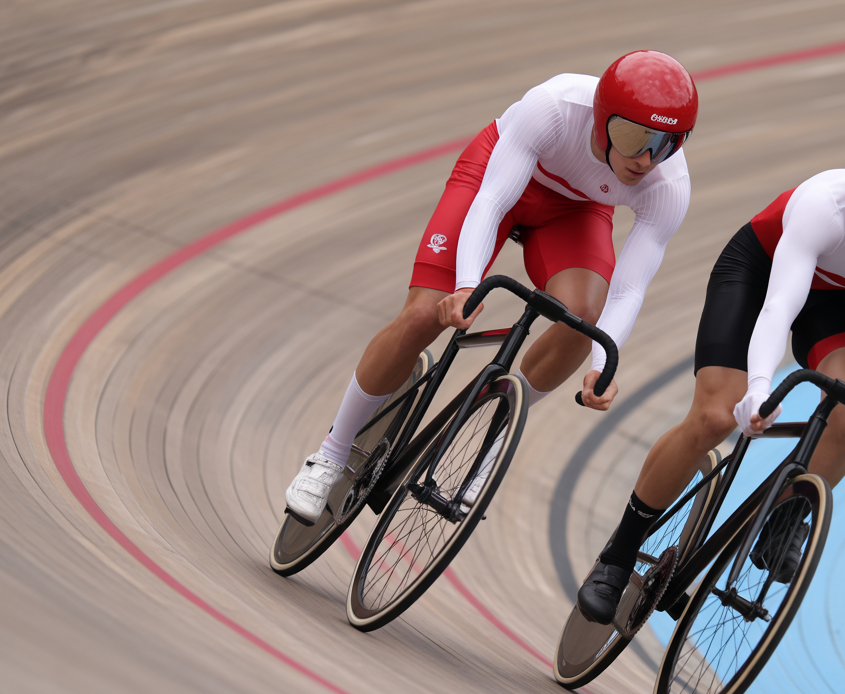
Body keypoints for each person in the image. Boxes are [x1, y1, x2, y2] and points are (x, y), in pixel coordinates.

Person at [285, 51, 698, 524]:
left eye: (667, 143)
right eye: (633, 138)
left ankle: (495, 438)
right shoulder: (555, 106)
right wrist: (465, 286)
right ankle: (331, 453)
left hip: (574, 211)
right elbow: (493, 201)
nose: (646, 159)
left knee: (583, 319)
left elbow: (628, 290)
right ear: (601, 120)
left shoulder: (669, 185)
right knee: (424, 314)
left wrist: (603, 366)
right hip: (496, 177)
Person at [576, 133, 845, 623]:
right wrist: (759, 388)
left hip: (838, 296)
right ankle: (618, 555)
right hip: (759, 271)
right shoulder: (828, 206)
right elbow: (779, 307)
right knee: (716, 416)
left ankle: (786, 516)